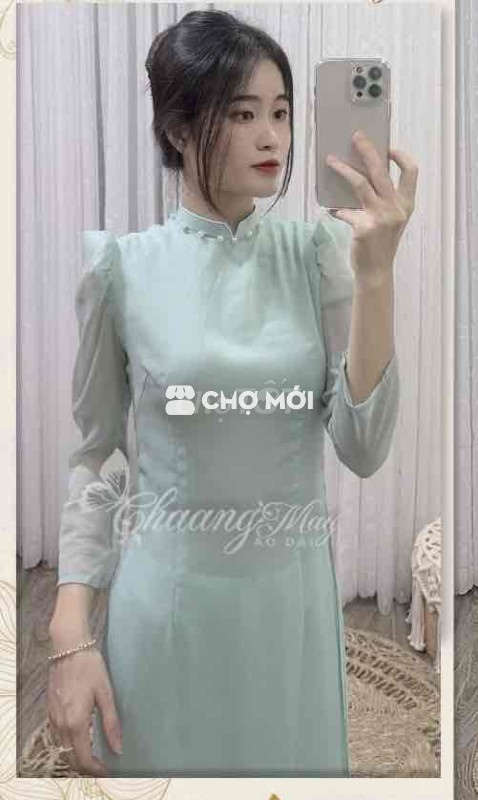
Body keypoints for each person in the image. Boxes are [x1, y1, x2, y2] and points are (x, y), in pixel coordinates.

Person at [46, 9, 417, 778]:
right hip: (169, 611)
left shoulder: (317, 257)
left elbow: (363, 447)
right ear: (179, 130)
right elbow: (98, 455)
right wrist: (69, 630)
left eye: (281, 112)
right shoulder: (124, 270)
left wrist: (377, 273)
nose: (271, 135)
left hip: (290, 615)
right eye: (243, 114)